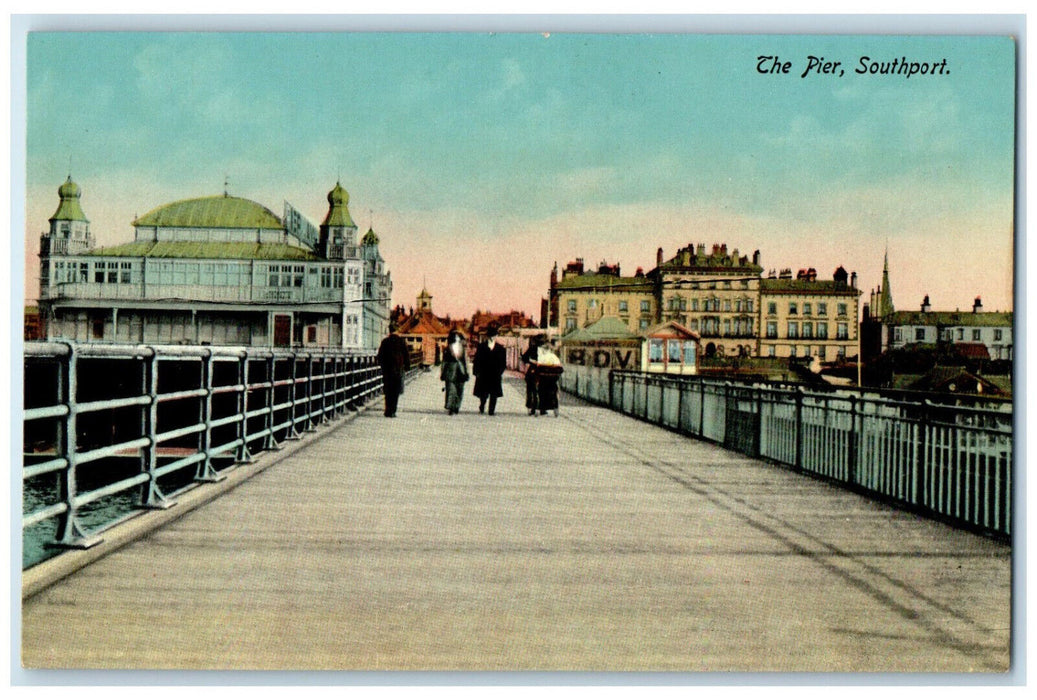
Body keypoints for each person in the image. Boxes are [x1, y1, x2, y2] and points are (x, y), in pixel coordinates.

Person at [375, 324, 410, 418]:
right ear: (397, 330)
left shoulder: (385, 342)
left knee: (388, 391)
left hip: (387, 371)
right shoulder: (401, 341)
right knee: (395, 391)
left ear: (389, 331)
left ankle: (387, 410)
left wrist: (382, 367)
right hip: (398, 370)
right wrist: (407, 367)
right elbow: (406, 355)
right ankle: (393, 411)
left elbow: (380, 356)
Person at [472, 323, 507, 415]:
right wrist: (476, 372)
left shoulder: (500, 348)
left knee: (494, 393)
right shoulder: (482, 347)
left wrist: (500, 372)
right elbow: (477, 360)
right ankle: (482, 405)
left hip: (495, 374)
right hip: (484, 373)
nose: (492, 337)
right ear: (487, 336)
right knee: (483, 393)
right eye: (490, 336)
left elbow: (503, 362)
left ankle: (491, 410)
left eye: (494, 336)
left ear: (496, 336)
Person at [440, 330, 469, 415]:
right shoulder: (447, 349)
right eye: (455, 336)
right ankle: (451, 407)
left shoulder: (463, 349)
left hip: (461, 371)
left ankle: (457, 406)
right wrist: (442, 373)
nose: (457, 338)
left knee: (460, 389)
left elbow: (466, 361)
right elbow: (444, 362)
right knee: (451, 390)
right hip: (450, 370)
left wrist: (467, 372)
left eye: (458, 336)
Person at [520, 335, 542, 416]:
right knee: (538, 391)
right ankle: (539, 408)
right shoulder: (545, 350)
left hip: (533, 371)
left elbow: (524, 358)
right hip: (543, 372)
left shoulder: (532, 348)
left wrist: (530, 361)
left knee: (530, 390)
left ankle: (530, 407)